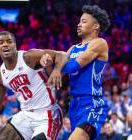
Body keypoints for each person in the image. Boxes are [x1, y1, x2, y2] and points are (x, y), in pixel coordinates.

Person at [40, 5, 111, 140]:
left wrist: (56, 59)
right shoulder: (72, 48)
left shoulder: (99, 43)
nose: (79, 24)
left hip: (91, 103)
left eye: (84, 21)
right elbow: (56, 77)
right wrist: (47, 64)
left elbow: (73, 67)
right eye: (79, 21)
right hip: (74, 105)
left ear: (96, 26)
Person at [0, 31, 67, 140]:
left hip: (47, 114)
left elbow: (62, 54)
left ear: (15, 45)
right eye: (1, 42)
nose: (5, 44)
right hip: (25, 115)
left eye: (9, 41)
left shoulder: (28, 57)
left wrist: (57, 70)